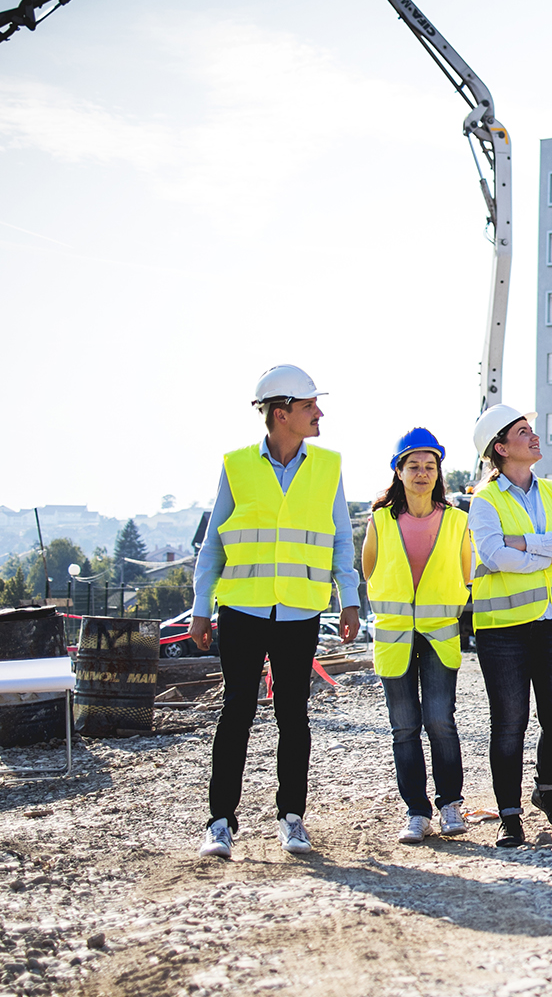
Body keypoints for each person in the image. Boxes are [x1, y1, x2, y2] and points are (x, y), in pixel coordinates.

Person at [193, 365, 360, 859]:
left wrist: (349, 598)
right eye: (310, 406)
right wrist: (202, 608)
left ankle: (292, 818)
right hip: (242, 610)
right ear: (282, 413)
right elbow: (213, 544)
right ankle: (220, 822)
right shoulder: (237, 465)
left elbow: (341, 540)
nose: (320, 413)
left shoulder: (327, 465)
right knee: (236, 712)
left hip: (301, 609)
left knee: (294, 715)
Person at [468, 404, 552, 847]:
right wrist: (551, 551)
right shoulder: (484, 501)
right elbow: (492, 554)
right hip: (503, 629)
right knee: (509, 722)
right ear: (500, 448)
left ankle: (545, 788)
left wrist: (526, 543)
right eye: (523, 432)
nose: (534, 436)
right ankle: (510, 815)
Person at [362, 428, 472, 845]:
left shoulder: (457, 520)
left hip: (439, 636)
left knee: (440, 721)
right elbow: (370, 572)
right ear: (399, 471)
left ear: (438, 471)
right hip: (394, 639)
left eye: (430, 466)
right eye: (414, 466)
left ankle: (450, 805)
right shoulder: (380, 520)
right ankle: (417, 812)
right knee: (404, 726)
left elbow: (466, 574)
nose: (422, 473)